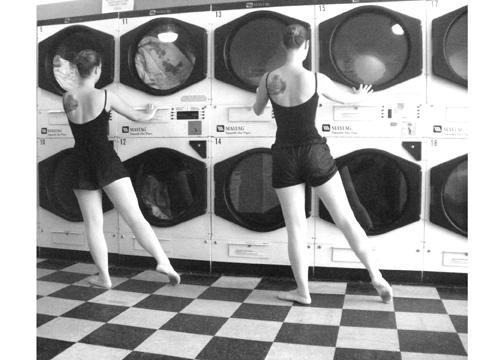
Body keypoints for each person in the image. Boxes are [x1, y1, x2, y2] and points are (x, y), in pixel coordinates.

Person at [253, 25, 393, 304]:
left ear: (284, 46)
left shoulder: (269, 79)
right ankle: (376, 276)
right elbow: (350, 100)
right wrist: (361, 96)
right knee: (346, 218)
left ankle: (303, 292)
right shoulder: (317, 79)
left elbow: (257, 109)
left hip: (284, 154)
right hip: (314, 152)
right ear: (305, 47)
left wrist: (272, 100)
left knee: (295, 228)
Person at [62, 49, 180, 289]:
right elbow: (137, 117)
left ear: (76, 70)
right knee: (135, 217)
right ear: (97, 70)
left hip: (80, 163)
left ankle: (104, 278)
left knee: (93, 224)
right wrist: (151, 112)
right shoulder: (106, 96)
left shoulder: (67, 98)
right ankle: (163, 261)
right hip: (106, 161)